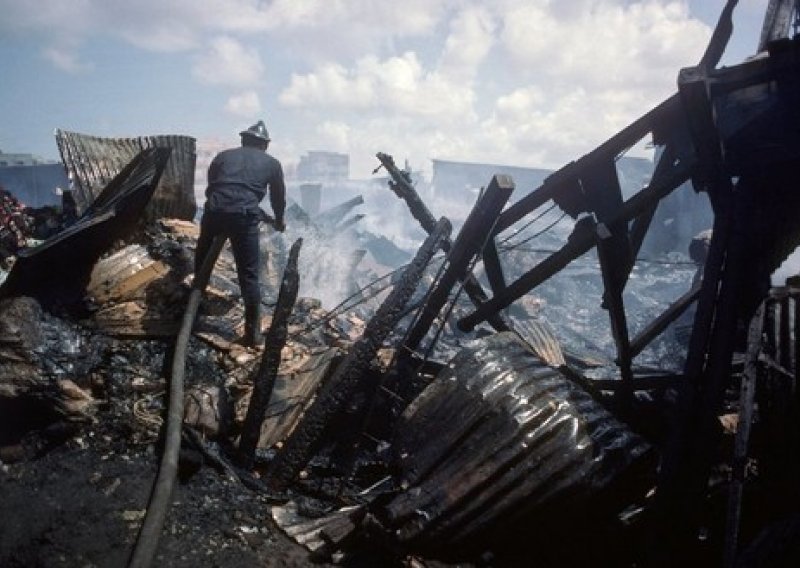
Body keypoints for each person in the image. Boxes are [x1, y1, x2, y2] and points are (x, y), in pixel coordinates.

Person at [195, 120, 286, 347]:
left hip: (214, 211)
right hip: (243, 217)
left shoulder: (223, 156)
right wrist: (280, 221)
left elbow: (215, 184)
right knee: (249, 276)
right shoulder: (273, 164)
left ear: (244, 139)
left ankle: (194, 310)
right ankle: (252, 334)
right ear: (265, 145)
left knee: (202, 263)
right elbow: (278, 199)